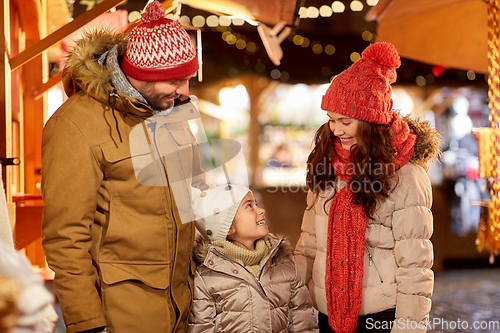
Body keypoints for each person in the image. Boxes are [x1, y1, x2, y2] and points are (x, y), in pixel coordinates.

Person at [41, 2, 208, 333]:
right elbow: (65, 238)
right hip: (122, 316)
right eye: (175, 80)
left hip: (185, 310)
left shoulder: (172, 113)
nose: (184, 91)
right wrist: (88, 325)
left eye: (188, 79)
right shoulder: (75, 124)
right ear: (142, 76)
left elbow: (195, 197)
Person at [294, 42, 441, 333]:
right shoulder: (328, 165)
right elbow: (308, 242)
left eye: (345, 121)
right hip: (325, 312)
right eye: (332, 120)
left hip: (380, 317)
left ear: (370, 121)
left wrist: (409, 328)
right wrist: (295, 304)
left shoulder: (406, 176)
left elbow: (415, 266)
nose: (336, 130)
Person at [188, 184, 319, 333]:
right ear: (228, 227)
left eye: (256, 203)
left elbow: (304, 324)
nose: (261, 210)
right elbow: (201, 328)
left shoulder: (284, 266)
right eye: (249, 206)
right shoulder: (206, 278)